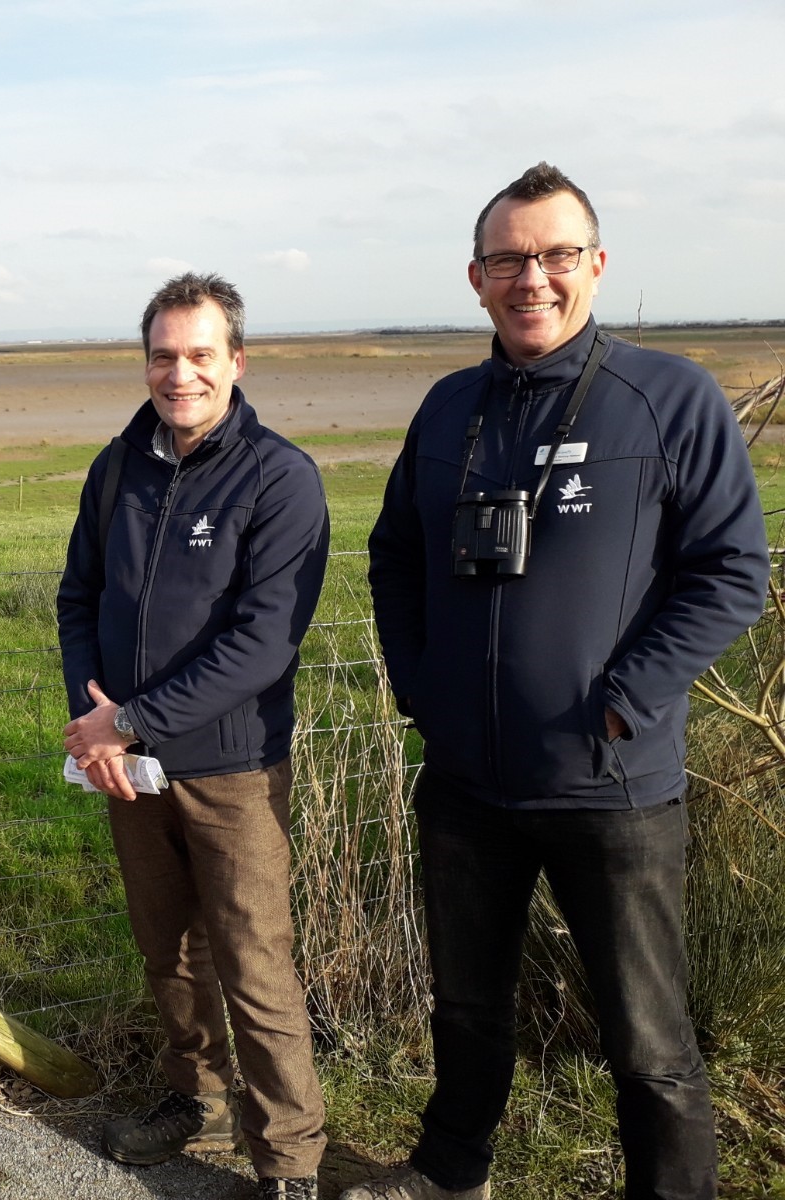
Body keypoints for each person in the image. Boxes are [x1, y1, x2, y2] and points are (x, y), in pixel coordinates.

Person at [351, 164, 770, 1200]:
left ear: (595, 264)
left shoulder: (664, 397)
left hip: (611, 789)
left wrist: (627, 696)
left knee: (648, 1040)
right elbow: (394, 555)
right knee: (465, 1006)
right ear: (475, 277)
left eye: (553, 256)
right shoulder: (451, 409)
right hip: (466, 784)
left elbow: (731, 573)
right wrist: (420, 690)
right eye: (507, 260)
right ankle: (449, 1175)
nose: (530, 279)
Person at [58, 272, 331, 1200]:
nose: (181, 374)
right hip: (129, 766)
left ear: (236, 361)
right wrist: (96, 727)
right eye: (164, 356)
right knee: (167, 948)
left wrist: (126, 719)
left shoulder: (279, 477)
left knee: (255, 961)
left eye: (200, 355)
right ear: (146, 362)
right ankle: (196, 1099)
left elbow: (263, 643)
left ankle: (290, 1159)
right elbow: (79, 600)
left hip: (234, 770)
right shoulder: (117, 467)